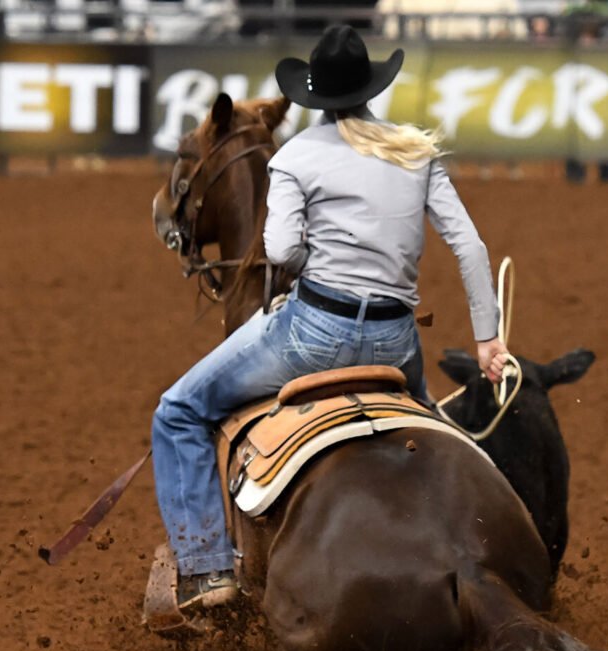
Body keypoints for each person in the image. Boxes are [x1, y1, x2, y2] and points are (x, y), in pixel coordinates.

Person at [151, 25, 509, 613]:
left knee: (179, 411)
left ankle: (206, 570)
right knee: (441, 431)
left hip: (312, 335)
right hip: (396, 344)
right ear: (371, 88)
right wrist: (488, 340)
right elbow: (469, 247)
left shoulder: (296, 156)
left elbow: (284, 252)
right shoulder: (416, 150)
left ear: (313, 95)